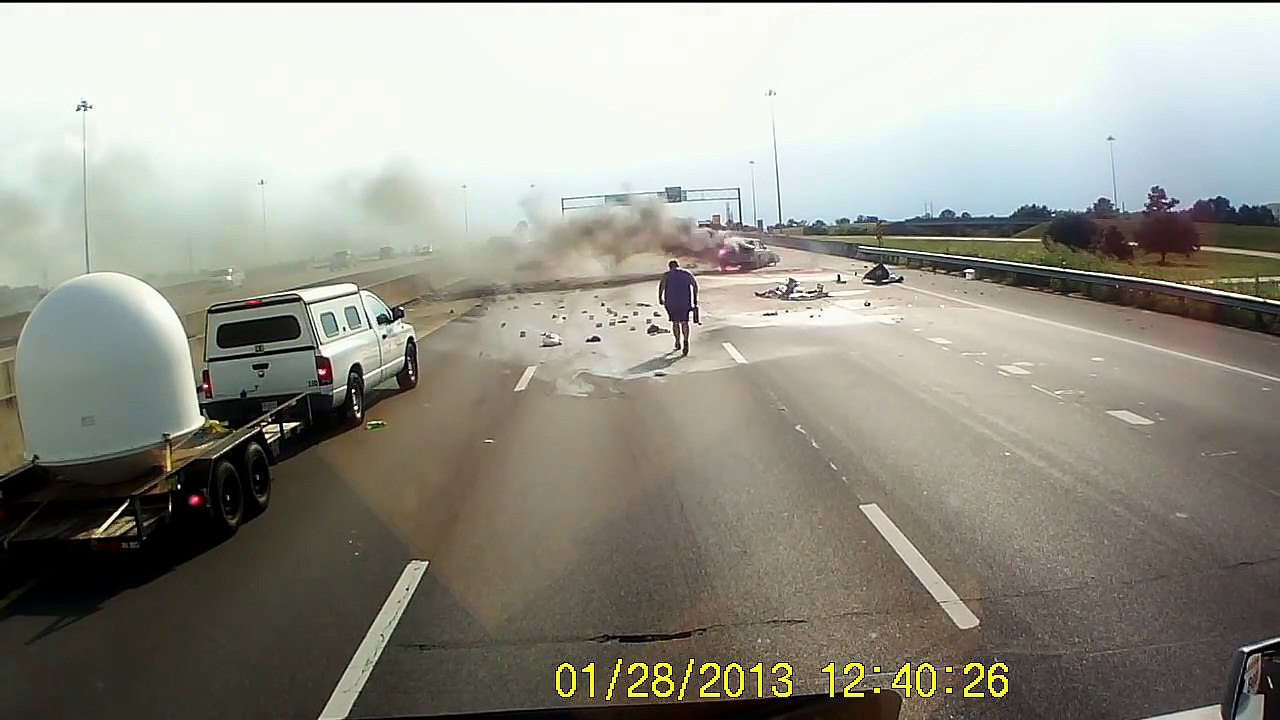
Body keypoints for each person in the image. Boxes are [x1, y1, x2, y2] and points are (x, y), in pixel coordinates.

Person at [658, 259, 698, 356]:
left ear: (669, 267)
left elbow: (662, 287)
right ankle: (686, 341)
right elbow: (694, 285)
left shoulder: (667, 275)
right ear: (678, 265)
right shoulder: (686, 274)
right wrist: (694, 299)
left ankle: (677, 341)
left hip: (671, 303)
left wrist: (660, 298)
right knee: (685, 322)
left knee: (675, 322)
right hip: (685, 302)